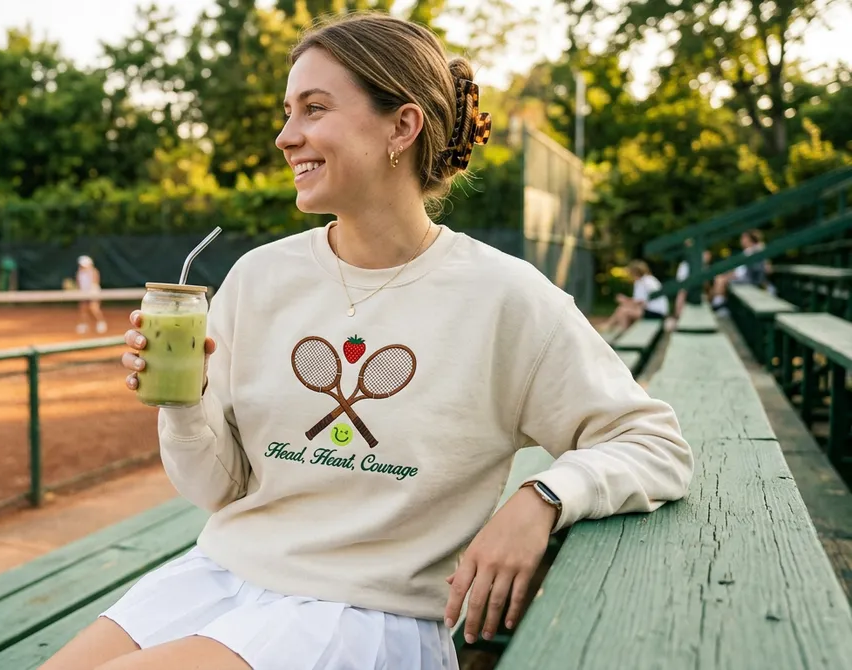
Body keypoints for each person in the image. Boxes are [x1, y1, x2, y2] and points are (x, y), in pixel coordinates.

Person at [45, 14, 692, 670]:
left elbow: (655, 445)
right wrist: (186, 402)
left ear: (402, 127)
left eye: (314, 109)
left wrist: (544, 498)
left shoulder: (506, 298)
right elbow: (217, 490)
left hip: (364, 616)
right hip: (219, 574)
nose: (285, 136)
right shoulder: (259, 277)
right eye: (288, 111)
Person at [599, 260, 670, 334]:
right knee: (623, 309)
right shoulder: (648, 279)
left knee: (623, 311)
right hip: (656, 312)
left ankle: (620, 331)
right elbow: (642, 301)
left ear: (635, 272)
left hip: (656, 313)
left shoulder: (643, 282)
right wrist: (627, 301)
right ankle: (615, 328)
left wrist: (625, 300)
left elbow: (639, 302)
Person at [75, 255, 107, 334]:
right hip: (83, 293)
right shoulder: (79, 273)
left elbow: (95, 282)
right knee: (83, 308)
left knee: (93, 308)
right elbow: (79, 284)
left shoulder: (94, 272)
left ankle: (101, 323)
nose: (82, 266)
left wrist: (91, 292)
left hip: (93, 292)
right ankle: (84, 325)